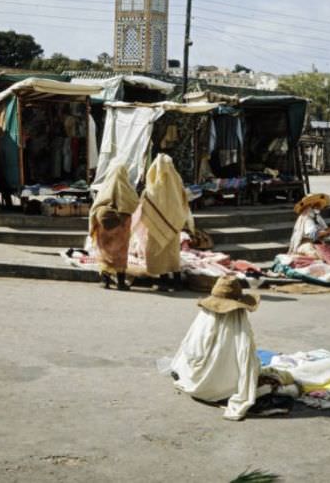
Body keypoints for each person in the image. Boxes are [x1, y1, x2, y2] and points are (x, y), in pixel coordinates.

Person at [170, 275, 260, 421]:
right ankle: (220, 385)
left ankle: (205, 381)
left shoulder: (203, 321)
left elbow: (191, 350)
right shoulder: (238, 327)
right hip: (225, 387)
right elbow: (246, 359)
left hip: (194, 381)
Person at [138, 153, 192, 291]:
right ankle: (177, 282)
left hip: (157, 226)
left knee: (158, 253)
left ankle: (163, 281)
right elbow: (184, 199)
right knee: (172, 254)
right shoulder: (177, 181)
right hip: (174, 224)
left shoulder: (153, 188)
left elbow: (148, 202)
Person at [88, 161, 139, 291]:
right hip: (122, 225)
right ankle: (121, 282)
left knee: (104, 250)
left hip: (105, 222)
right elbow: (134, 204)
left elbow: (95, 207)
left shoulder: (106, 188)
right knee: (121, 253)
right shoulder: (127, 189)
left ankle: (105, 281)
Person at [289, 193, 330, 265]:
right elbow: (313, 234)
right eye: (317, 205)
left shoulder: (317, 217)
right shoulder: (306, 217)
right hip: (305, 244)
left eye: (319, 206)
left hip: (317, 243)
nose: (319, 207)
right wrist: (328, 231)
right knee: (318, 257)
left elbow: (324, 232)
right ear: (310, 205)